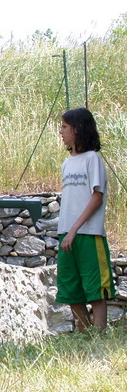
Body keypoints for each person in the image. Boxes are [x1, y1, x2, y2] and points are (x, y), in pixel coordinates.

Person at [56, 108, 115, 332]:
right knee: (70, 288)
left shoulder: (93, 159)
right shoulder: (66, 163)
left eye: (64, 127)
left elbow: (96, 197)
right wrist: (67, 231)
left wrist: (74, 230)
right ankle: (84, 335)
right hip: (66, 232)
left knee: (95, 287)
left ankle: (99, 335)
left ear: (78, 128)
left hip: (89, 233)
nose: (61, 131)